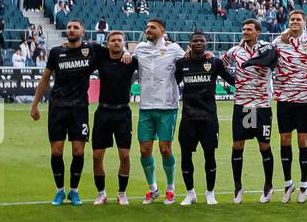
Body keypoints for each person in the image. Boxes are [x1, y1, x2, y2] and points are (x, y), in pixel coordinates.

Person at [29, 19, 105, 206]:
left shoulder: (92, 51)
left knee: (78, 151)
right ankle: (59, 191)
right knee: (56, 151)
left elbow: (115, 50)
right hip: (57, 107)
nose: (71, 30)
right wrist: (35, 104)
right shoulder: (57, 52)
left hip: (79, 108)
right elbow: (45, 79)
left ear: (83, 31)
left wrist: (127, 54)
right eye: (69, 27)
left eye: (75, 27)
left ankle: (74, 191)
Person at [173, 31, 233, 205]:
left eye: (202, 41)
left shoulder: (214, 63)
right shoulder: (181, 63)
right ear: (190, 44)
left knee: (210, 156)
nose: (199, 43)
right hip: (188, 118)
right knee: (185, 156)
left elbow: (232, 80)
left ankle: (210, 193)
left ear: (206, 44)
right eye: (195, 41)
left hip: (209, 118)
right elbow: (170, 83)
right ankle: (190, 193)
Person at [130, 18, 184, 206]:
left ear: (162, 30)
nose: (148, 30)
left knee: (164, 148)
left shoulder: (174, 48)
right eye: (146, 27)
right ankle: (153, 189)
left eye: (152, 27)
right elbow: (125, 58)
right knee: (144, 150)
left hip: (167, 107)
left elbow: (190, 61)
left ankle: (170, 189)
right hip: (145, 107)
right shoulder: (139, 49)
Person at [224, 19, 278, 204]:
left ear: (257, 32)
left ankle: (268, 185)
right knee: (238, 145)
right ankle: (238, 187)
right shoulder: (235, 51)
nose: (245, 32)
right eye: (244, 29)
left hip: (261, 106)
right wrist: (233, 82)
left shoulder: (266, 48)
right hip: (242, 105)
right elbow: (219, 64)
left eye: (249, 29)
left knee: (264, 146)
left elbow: (270, 60)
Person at [273, 9, 307, 203]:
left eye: (299, 19)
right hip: (284, 99)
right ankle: (288, 183)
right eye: (292, 19)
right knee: (284, 140)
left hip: (305, 100)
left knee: (303, 141)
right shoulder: (278, 42)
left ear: (304, 22)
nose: (295, 22)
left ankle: (304, 185)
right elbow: (262, 53)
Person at [91, 31, 137, 206]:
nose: (116, 43)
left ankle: (122, 193)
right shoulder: (100, 58)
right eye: (113, 40)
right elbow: (83, 47)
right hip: (103, 112)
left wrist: (130, 53)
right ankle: (101, 193)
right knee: (97, 156)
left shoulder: (130, 61)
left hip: (123, 113)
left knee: (124, 155)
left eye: (119, 40)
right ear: (108, 43)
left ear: (124, 43)